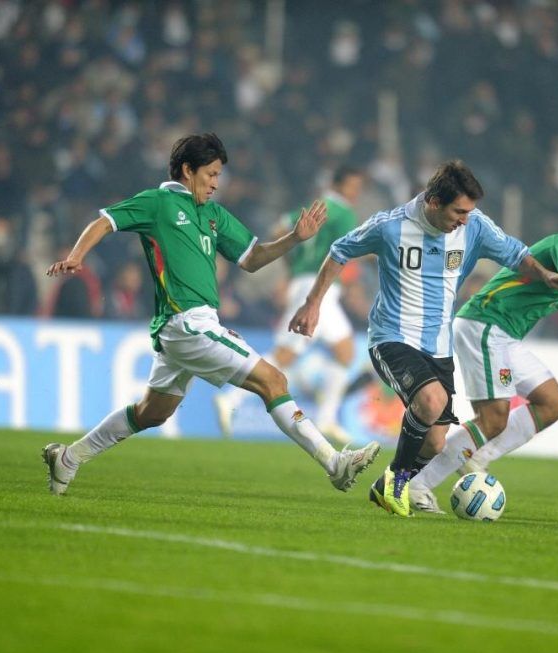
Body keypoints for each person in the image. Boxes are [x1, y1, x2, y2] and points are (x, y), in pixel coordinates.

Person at [41, 133, 379, 496]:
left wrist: (294, 238)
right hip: (186, 323)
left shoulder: (213, 213)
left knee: (152, 412)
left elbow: (252, 259)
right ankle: (335, 464)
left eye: (219, 175)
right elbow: (105, 221)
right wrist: (77, 256)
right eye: (211, 174)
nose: (216, 183)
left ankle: (70, 457)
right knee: (274, 382)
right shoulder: (158, 203)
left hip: (192, 327)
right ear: (188, 170)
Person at [288, 160, 558, 517]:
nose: (464, 219)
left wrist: (545, 274)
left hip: (438, 346)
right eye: (458, 211)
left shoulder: (474, 227)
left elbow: (517, 254)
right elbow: (339, 251)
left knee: (436, 440)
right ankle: (396, 484)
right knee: (430, 399)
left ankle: (385, 486)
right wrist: (312, 303)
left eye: (469, 212)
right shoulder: (391, 226)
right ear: (433, 202)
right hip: (391, 337)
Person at [407, 208, 558, 513]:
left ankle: (478, 457)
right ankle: (418, 484)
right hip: (485, 321)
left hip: (504, 335)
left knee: (552, 403)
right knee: (493, 418)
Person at [214, 166, 365, 443]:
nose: (355, 192)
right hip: (317, 289)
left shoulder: (314, 207)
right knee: (287, 354)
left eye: (358, 187)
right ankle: (230, 397)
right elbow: (347, 250)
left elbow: (281, 228)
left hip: (305, 283)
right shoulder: (343, 212)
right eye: (352, 186)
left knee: (343, 352)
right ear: (337, 184)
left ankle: (327, 419)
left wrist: (291, 268)